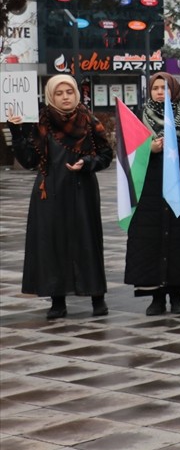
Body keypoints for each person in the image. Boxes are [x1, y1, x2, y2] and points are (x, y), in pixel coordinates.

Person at [7, 74, 112, 319]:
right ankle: (57, 300)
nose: (65, 97)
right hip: (49, 192)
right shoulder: (41, 123)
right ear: (50, 96)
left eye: (69, 92)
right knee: (52, 244)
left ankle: (97, 296)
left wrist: (87, 162)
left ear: (76, 93)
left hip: (82, 190)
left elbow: (106, 156)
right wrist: (17, 132)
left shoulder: (89, 120)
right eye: (59, 93)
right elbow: (30, 161)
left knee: (87, 241)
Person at [124, 72, 180, 316]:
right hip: (148, 191)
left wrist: (175, 147)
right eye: (156, 88)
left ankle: (177, 296)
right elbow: (126, 153)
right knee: (150, 242)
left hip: (179, 188)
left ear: (175, 90)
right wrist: (148, 148)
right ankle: (156, 298)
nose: (160, 92)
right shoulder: (139, 118)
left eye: (166, 87)